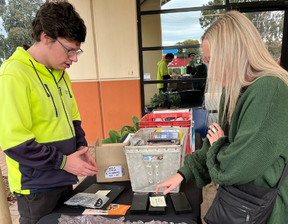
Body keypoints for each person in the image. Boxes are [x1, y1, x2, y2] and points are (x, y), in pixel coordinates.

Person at [156, 10, 288, 223]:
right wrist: (182, 174)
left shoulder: (271, 89)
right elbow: (214, 140)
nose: (209, 68)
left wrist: (220, 145)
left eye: (211, 59)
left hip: (265, 208)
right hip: (241, 203)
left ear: (233, 54)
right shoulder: (235, 89)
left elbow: (237, 167)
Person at [0, 1, 98, 223]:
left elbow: (73, 119)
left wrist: (81, 148)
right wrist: (63, 162)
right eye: (69, 50)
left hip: (64, 178)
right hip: (36, 188)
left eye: (77, 51)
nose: (74, 58)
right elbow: (14, 142)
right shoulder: (14, 74)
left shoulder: (60, 74)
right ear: (46, 37)